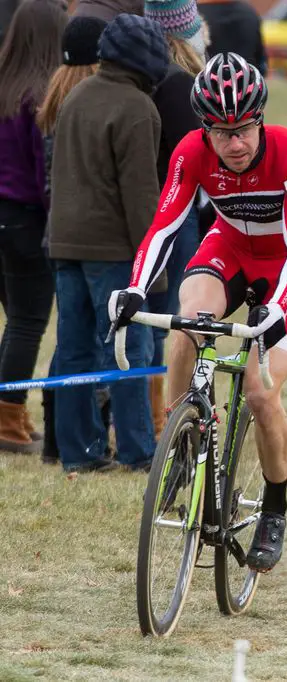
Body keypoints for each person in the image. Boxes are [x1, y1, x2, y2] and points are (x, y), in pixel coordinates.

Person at [110, 52, 287, 571]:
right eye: (222, 132)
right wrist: (135, 289)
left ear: (261, 118)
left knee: (259, 392)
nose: (235, 144)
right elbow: (164, 225)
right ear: (205, 128)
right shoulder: (192, 151)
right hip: (229, 247)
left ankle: (275, 507)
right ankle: (182, 438)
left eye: (245, 128)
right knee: (185, 326)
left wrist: (276, 308)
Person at [48, 13, 168, 472]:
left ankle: (79, 453)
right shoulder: (138, 108)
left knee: (74, 351)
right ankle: (139, 452)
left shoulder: (76, 94)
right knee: (129, 350)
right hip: (113, 251)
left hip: (64, 243)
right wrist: (150, 268)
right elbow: (141, 197)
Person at [36, 14, 110, 465]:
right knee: (90, 343)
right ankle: (80, 438)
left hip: (55, 236)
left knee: (70, 342)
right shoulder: (90, 101)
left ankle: (57, 439)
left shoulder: (52, 99)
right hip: (89, 239)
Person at [0, 0, 65, 454]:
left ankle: (13, 415)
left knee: (15, 321)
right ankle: (7, 419)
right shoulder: (38, 96)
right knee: (27, 323)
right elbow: (44, 174)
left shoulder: (5, 86)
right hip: (24, 218)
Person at [145, 0, 205, 438]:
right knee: (170, 321)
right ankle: (159, 416)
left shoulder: (143, 76)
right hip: (176, 212)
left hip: (144, 207)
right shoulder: (179, 84)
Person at [197, 0, 264, 73]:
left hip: (206, 80)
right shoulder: (250, 13)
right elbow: (261, 63)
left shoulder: (195, 17)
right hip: (246, 80)